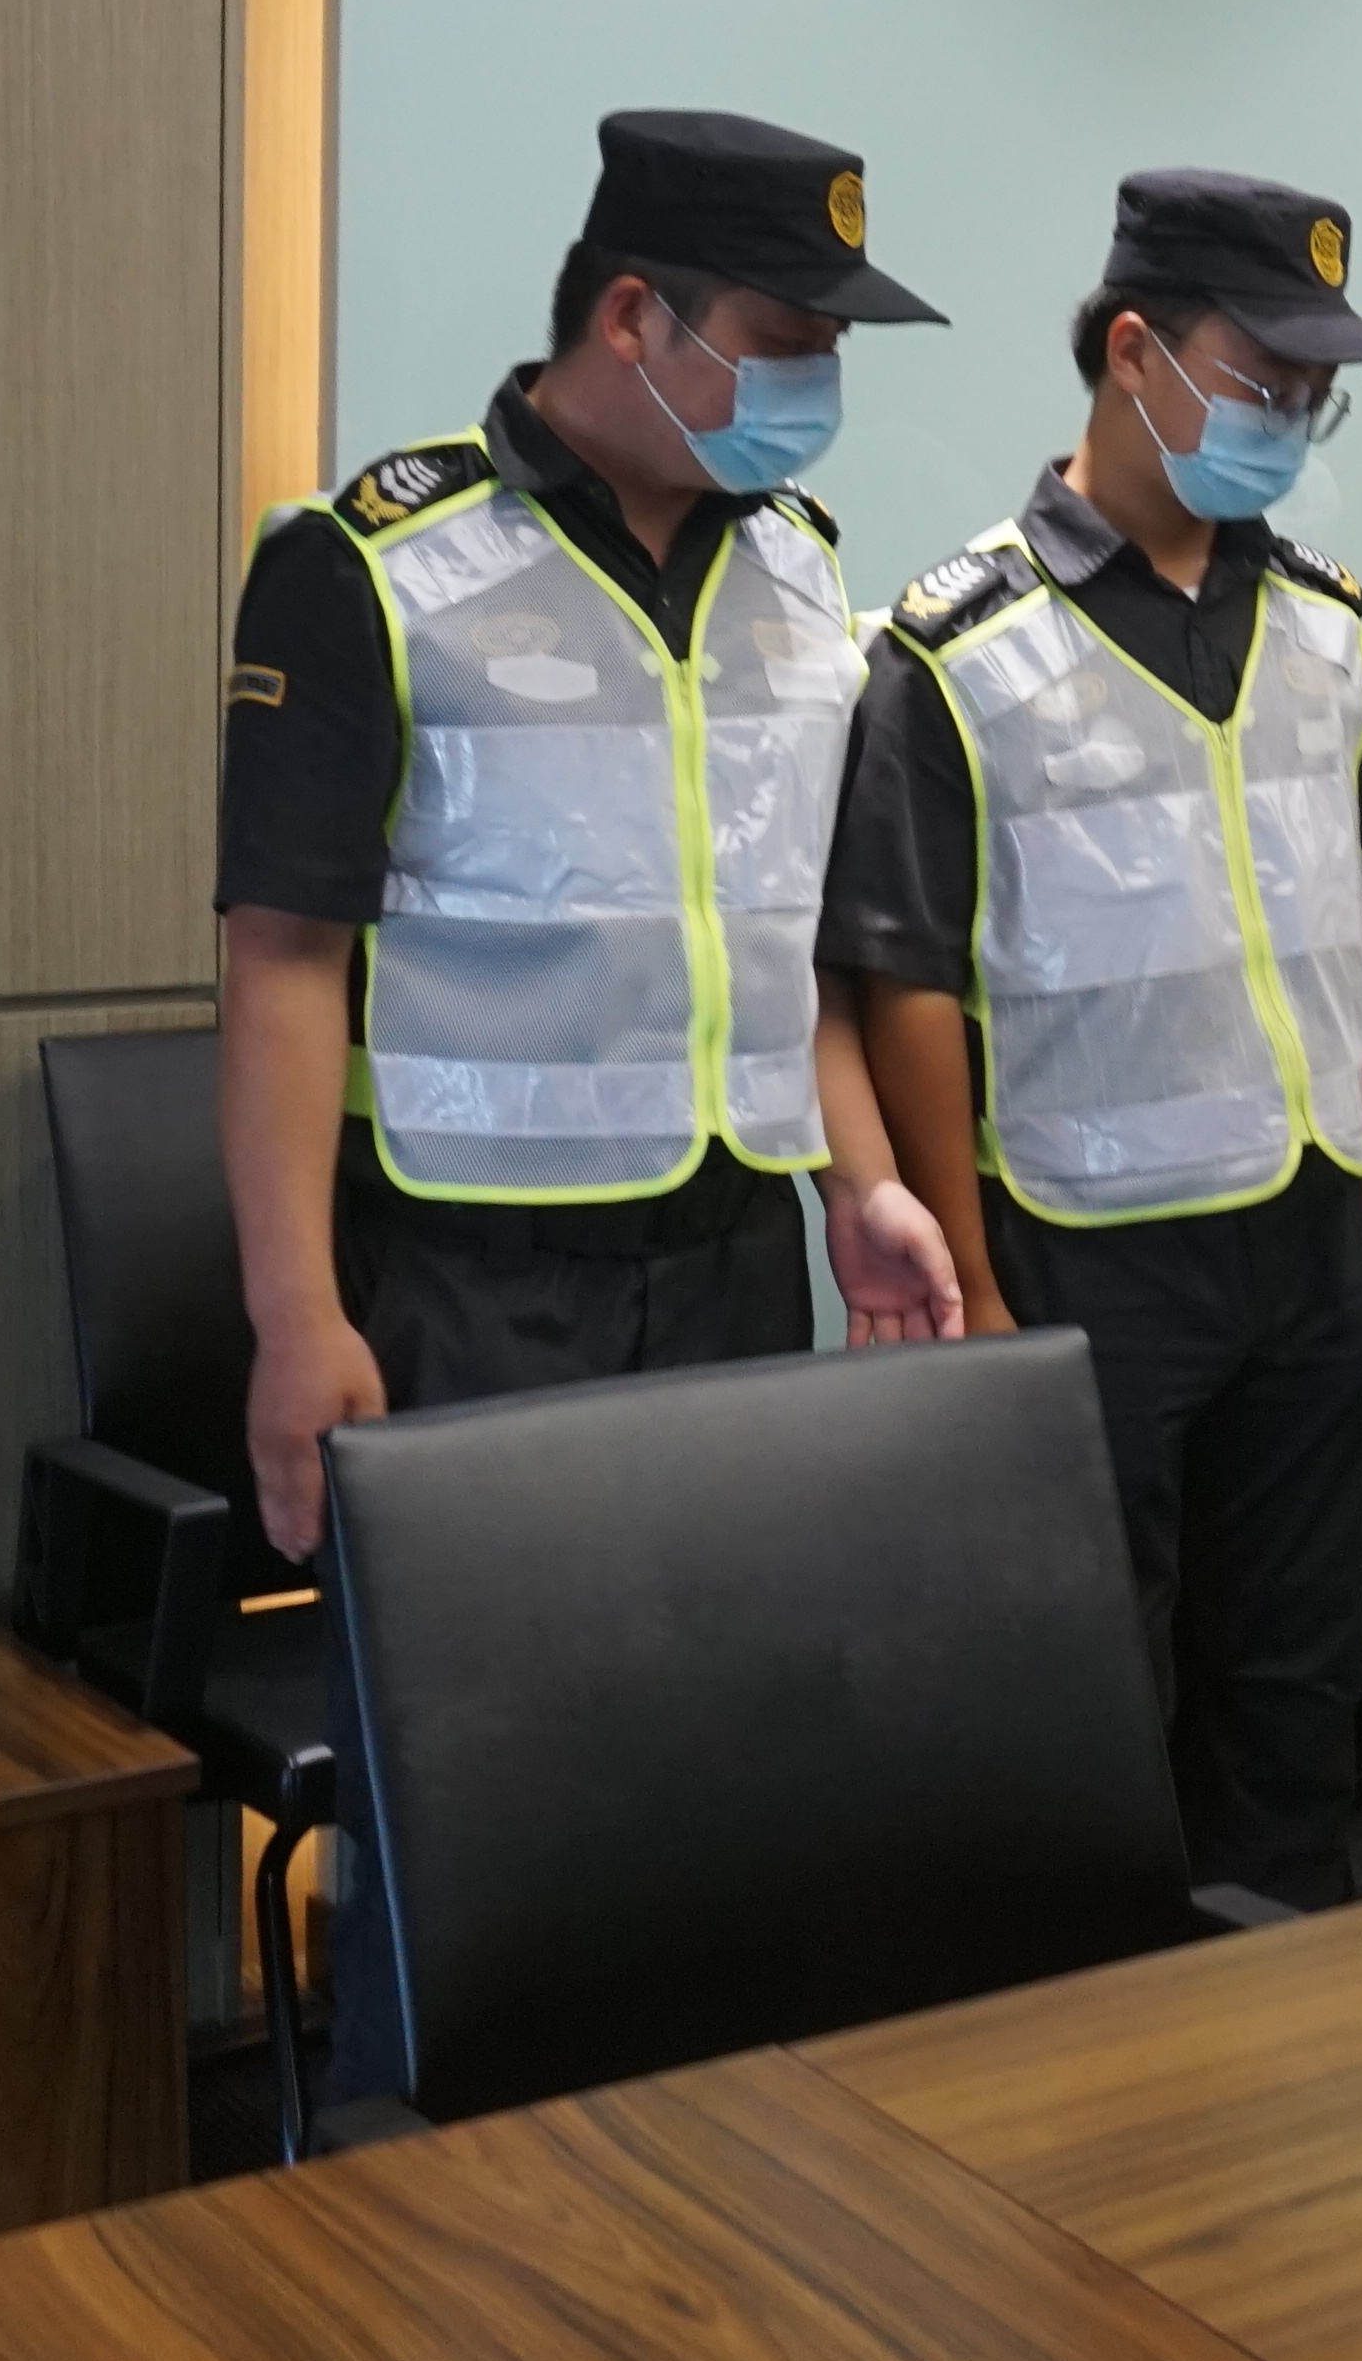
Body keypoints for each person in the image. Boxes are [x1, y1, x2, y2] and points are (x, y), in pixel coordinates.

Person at [211, 110, 963, 2105]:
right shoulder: (376, 566)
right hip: (471, 1289)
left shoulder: (801, 577)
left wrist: (861, 1188)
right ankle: (415, 2216)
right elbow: (280, 962)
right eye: (785, 342)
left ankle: (687, 2194)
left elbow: (782, 950)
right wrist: (297, 1315)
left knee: (714, 1777)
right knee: (471, 1812)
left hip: (729, 1269)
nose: (814, 388)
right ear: (634, 316)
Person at [820, 172, 1362, 1910]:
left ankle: (1287, 2000)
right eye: (1263, 383)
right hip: (1086, 1248)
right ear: (1133, 353)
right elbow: (904, 980)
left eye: (1314, 398)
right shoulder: (959, 647)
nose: (1288, 424)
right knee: (1095, 1685)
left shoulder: (1325, 625)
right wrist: (974, 1277)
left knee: (1295, 1681)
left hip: (1308, 1242)